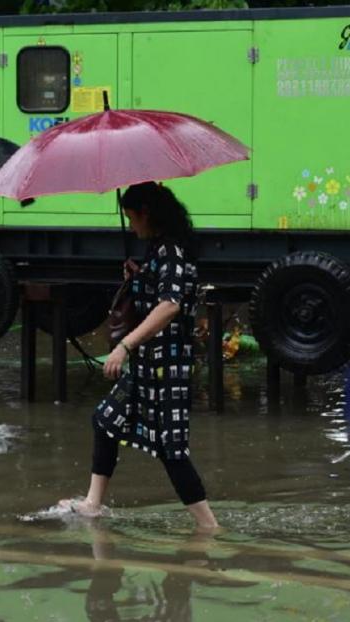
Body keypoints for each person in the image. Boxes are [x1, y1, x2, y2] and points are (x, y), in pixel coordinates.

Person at [60, 182, 218, 529]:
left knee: (171, 449)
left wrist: (124, 345)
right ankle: (93, 503)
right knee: (106, 420)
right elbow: (161, 289)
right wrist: (140, 275)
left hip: (167, 368)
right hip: (148, 364)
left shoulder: (173, 252)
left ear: (146, 213)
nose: (131, 226)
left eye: (132, 218)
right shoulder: (160, 250)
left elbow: (170, 305)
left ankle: (209, 528)